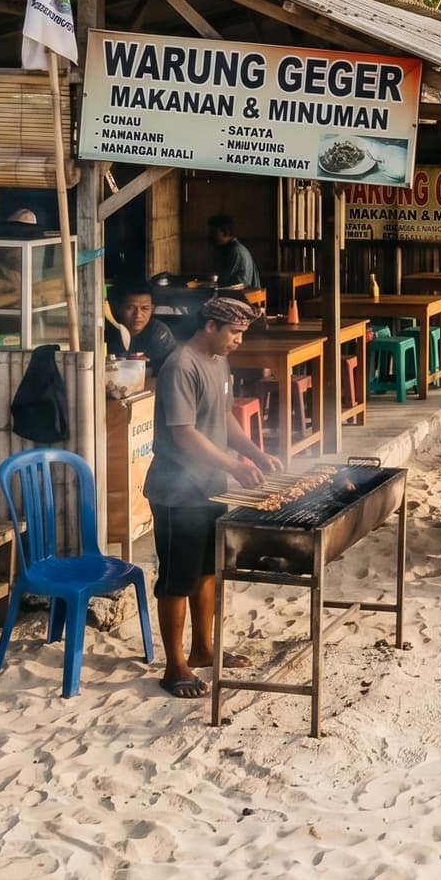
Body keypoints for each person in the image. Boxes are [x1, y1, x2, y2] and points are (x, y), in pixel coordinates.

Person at [144, 297, 278, 698]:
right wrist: (234, 466)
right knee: (176, 579)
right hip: (176, 489)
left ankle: (203, 648)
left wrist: (253, 451)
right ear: (210, 326)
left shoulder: (219, 361)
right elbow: (184, 432)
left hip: (211, 485)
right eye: (234, 333)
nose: (237, 341)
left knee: (207, 571)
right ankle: (174, 665)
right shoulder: (180, 366)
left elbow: (225, 417)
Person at [110, 281, 180, 367]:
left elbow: (168, 371)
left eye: (145, 308)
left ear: (152, 309)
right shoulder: (107, 332)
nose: (138, 315)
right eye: (131, 308)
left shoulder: (159, 333)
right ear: (119, 308)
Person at [207, 214, 260, 294]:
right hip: (240, 292)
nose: (211, 236)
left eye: (214, 232)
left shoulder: (234, 250)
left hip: (241, 295)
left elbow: (222, 279)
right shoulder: (235, 248)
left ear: (226, 233)